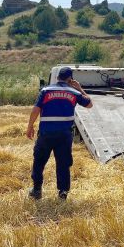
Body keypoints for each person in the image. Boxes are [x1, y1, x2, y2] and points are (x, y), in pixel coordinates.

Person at [26, 67, 93, 200]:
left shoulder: (46, 90)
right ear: (70, 79)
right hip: (64, 135)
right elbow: (89, 104)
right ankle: (63, 192)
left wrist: (30, 126)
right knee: (63, 163)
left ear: (57, 77)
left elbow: (36, 109)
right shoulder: (74, 92)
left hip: (46, 133)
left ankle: (37, 190)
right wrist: (79, 88)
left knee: (39, 161)